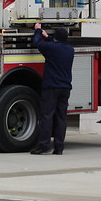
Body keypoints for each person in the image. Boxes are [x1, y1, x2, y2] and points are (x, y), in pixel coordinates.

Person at [31, 22, 74, 155]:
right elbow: (55, 44)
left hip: (51, 88)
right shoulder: (70, 49)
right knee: (61, 118)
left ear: (56, 39)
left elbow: (37, 43)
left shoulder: (52, 48)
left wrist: (38, 31)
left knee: (47, 116)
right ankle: (59, 147)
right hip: (65, 88)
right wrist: (47, 36)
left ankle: (44, 145)